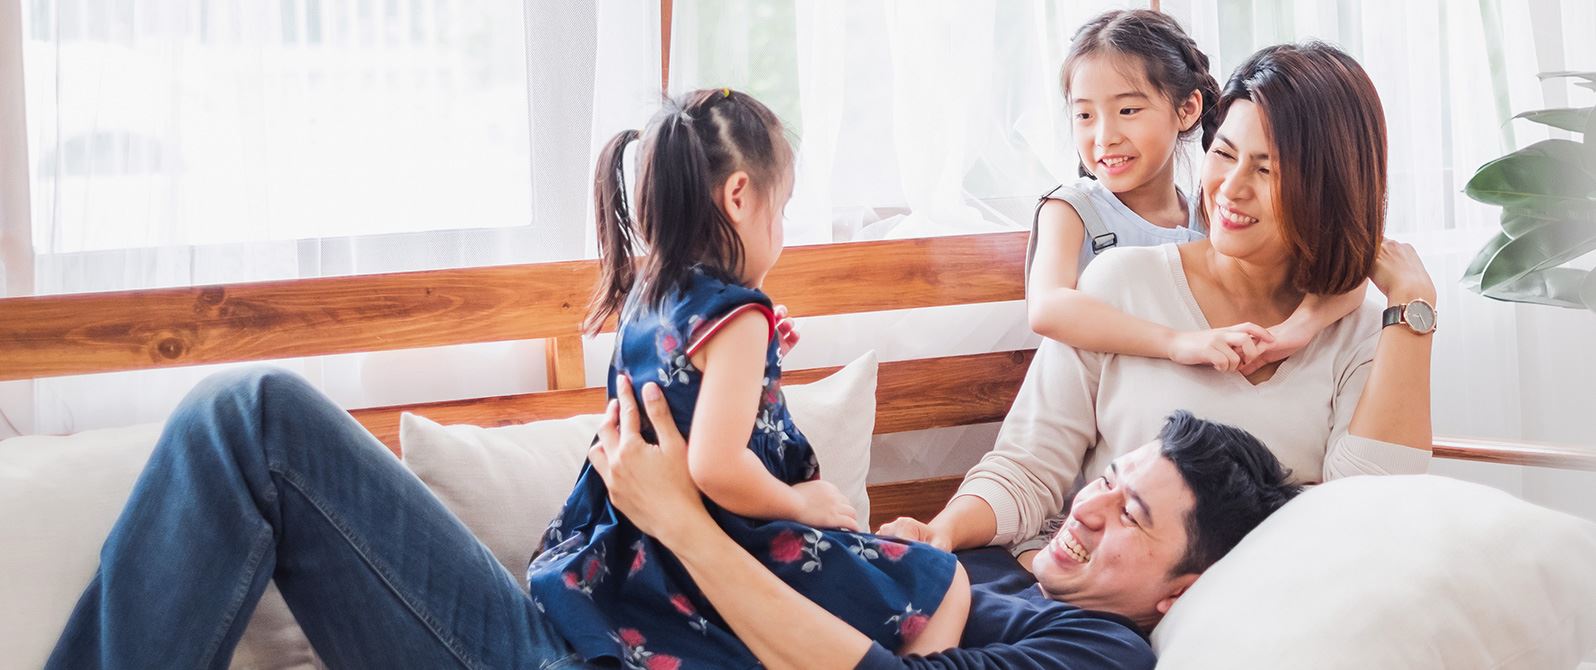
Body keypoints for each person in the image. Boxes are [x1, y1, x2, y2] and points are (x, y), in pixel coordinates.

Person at [47, 366, 1301, 669]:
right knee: (250, 415)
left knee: (257, 418)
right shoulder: (1008, 568)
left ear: (1180, 587)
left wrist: (682, 522)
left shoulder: (1102, 649)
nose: (1092, 509)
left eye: (1133, 517)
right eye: (1108, 479)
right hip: (578, 629)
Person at [881, 41, 1438, 562]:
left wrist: (1413, 308)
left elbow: (1372, 511)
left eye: (1266, 169)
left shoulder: (1364, 331)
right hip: (1101, 604)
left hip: (1261, 609)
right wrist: (942, 533)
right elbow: (1027, 466)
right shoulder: (1119, 285)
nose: (1231, 187)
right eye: (1224, 154)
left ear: (1331, 186)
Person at [525, 87, 968, 668]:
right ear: (738, 196)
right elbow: (715, 466)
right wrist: (798, 504)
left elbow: (685, 390)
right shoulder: (737, 319)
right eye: (780, 209)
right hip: (724, 537)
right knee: (943, 580)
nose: (780, 228)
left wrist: (756, 361)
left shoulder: (647, 290)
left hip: (628, 547)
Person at [1027, 10, 1365, 375]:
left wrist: (1297, 328)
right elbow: (1047, 308)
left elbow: (1350, 273)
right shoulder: (1073, 209)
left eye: (1128, 110)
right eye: (1084, 116)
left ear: (1187, 109)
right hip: (1099, 386)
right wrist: (1175, 343)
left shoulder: (1216, 216)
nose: (1104, 136)